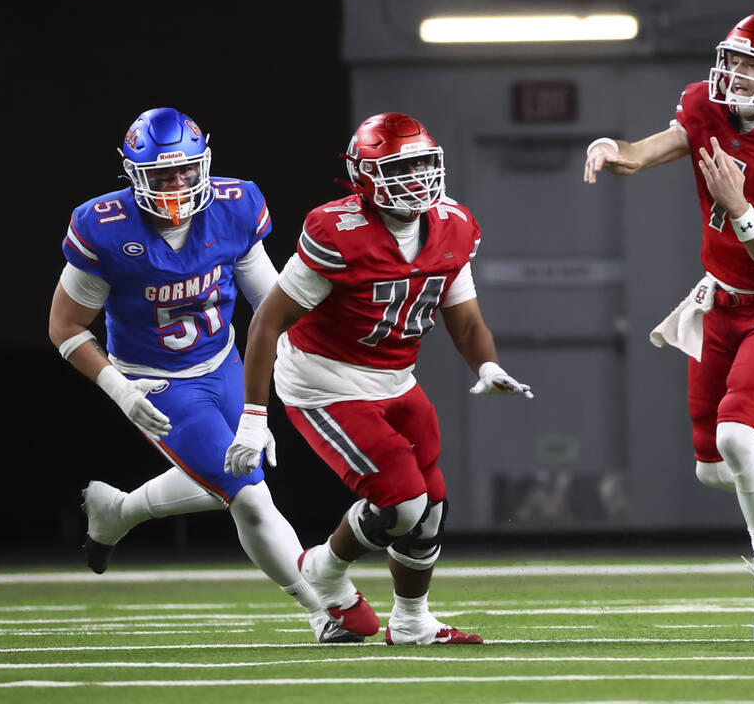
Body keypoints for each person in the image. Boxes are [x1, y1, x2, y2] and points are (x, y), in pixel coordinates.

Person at [583, 12, 754, 642]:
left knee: (739, 438)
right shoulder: (705, 108)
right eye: (733, 60)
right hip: (718, 302)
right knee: (713, 467)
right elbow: (641, 155)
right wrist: (612, 149)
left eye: (753, 65)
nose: (735, 74)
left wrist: (739, 209)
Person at [47, 107, 355, 643]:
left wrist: (308, 369)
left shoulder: (235, 208)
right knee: (249, 493)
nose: (178, 185)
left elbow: (270, 305)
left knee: (231, 481)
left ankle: (118, 512)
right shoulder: (105, 227)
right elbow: (66, 326)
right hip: (156, 380)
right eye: (163, 175)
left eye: (187, 171)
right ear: (133, 174)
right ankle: (323, 609)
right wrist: (119, 389)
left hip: (227, 363)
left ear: (204, 164)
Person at [228, 112, 532, 645]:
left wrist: (487, 365)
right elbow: (267, 322)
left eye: (423, 163)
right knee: (401, 500)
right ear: (364, 175)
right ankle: (321, 567)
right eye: (400, 166)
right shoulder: (338, 231)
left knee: (431, 504)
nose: (416, 177)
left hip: (396, 378)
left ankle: (412, 621)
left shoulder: (453, 226)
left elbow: (465, 318)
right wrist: (253, 418)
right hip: (325, 380)